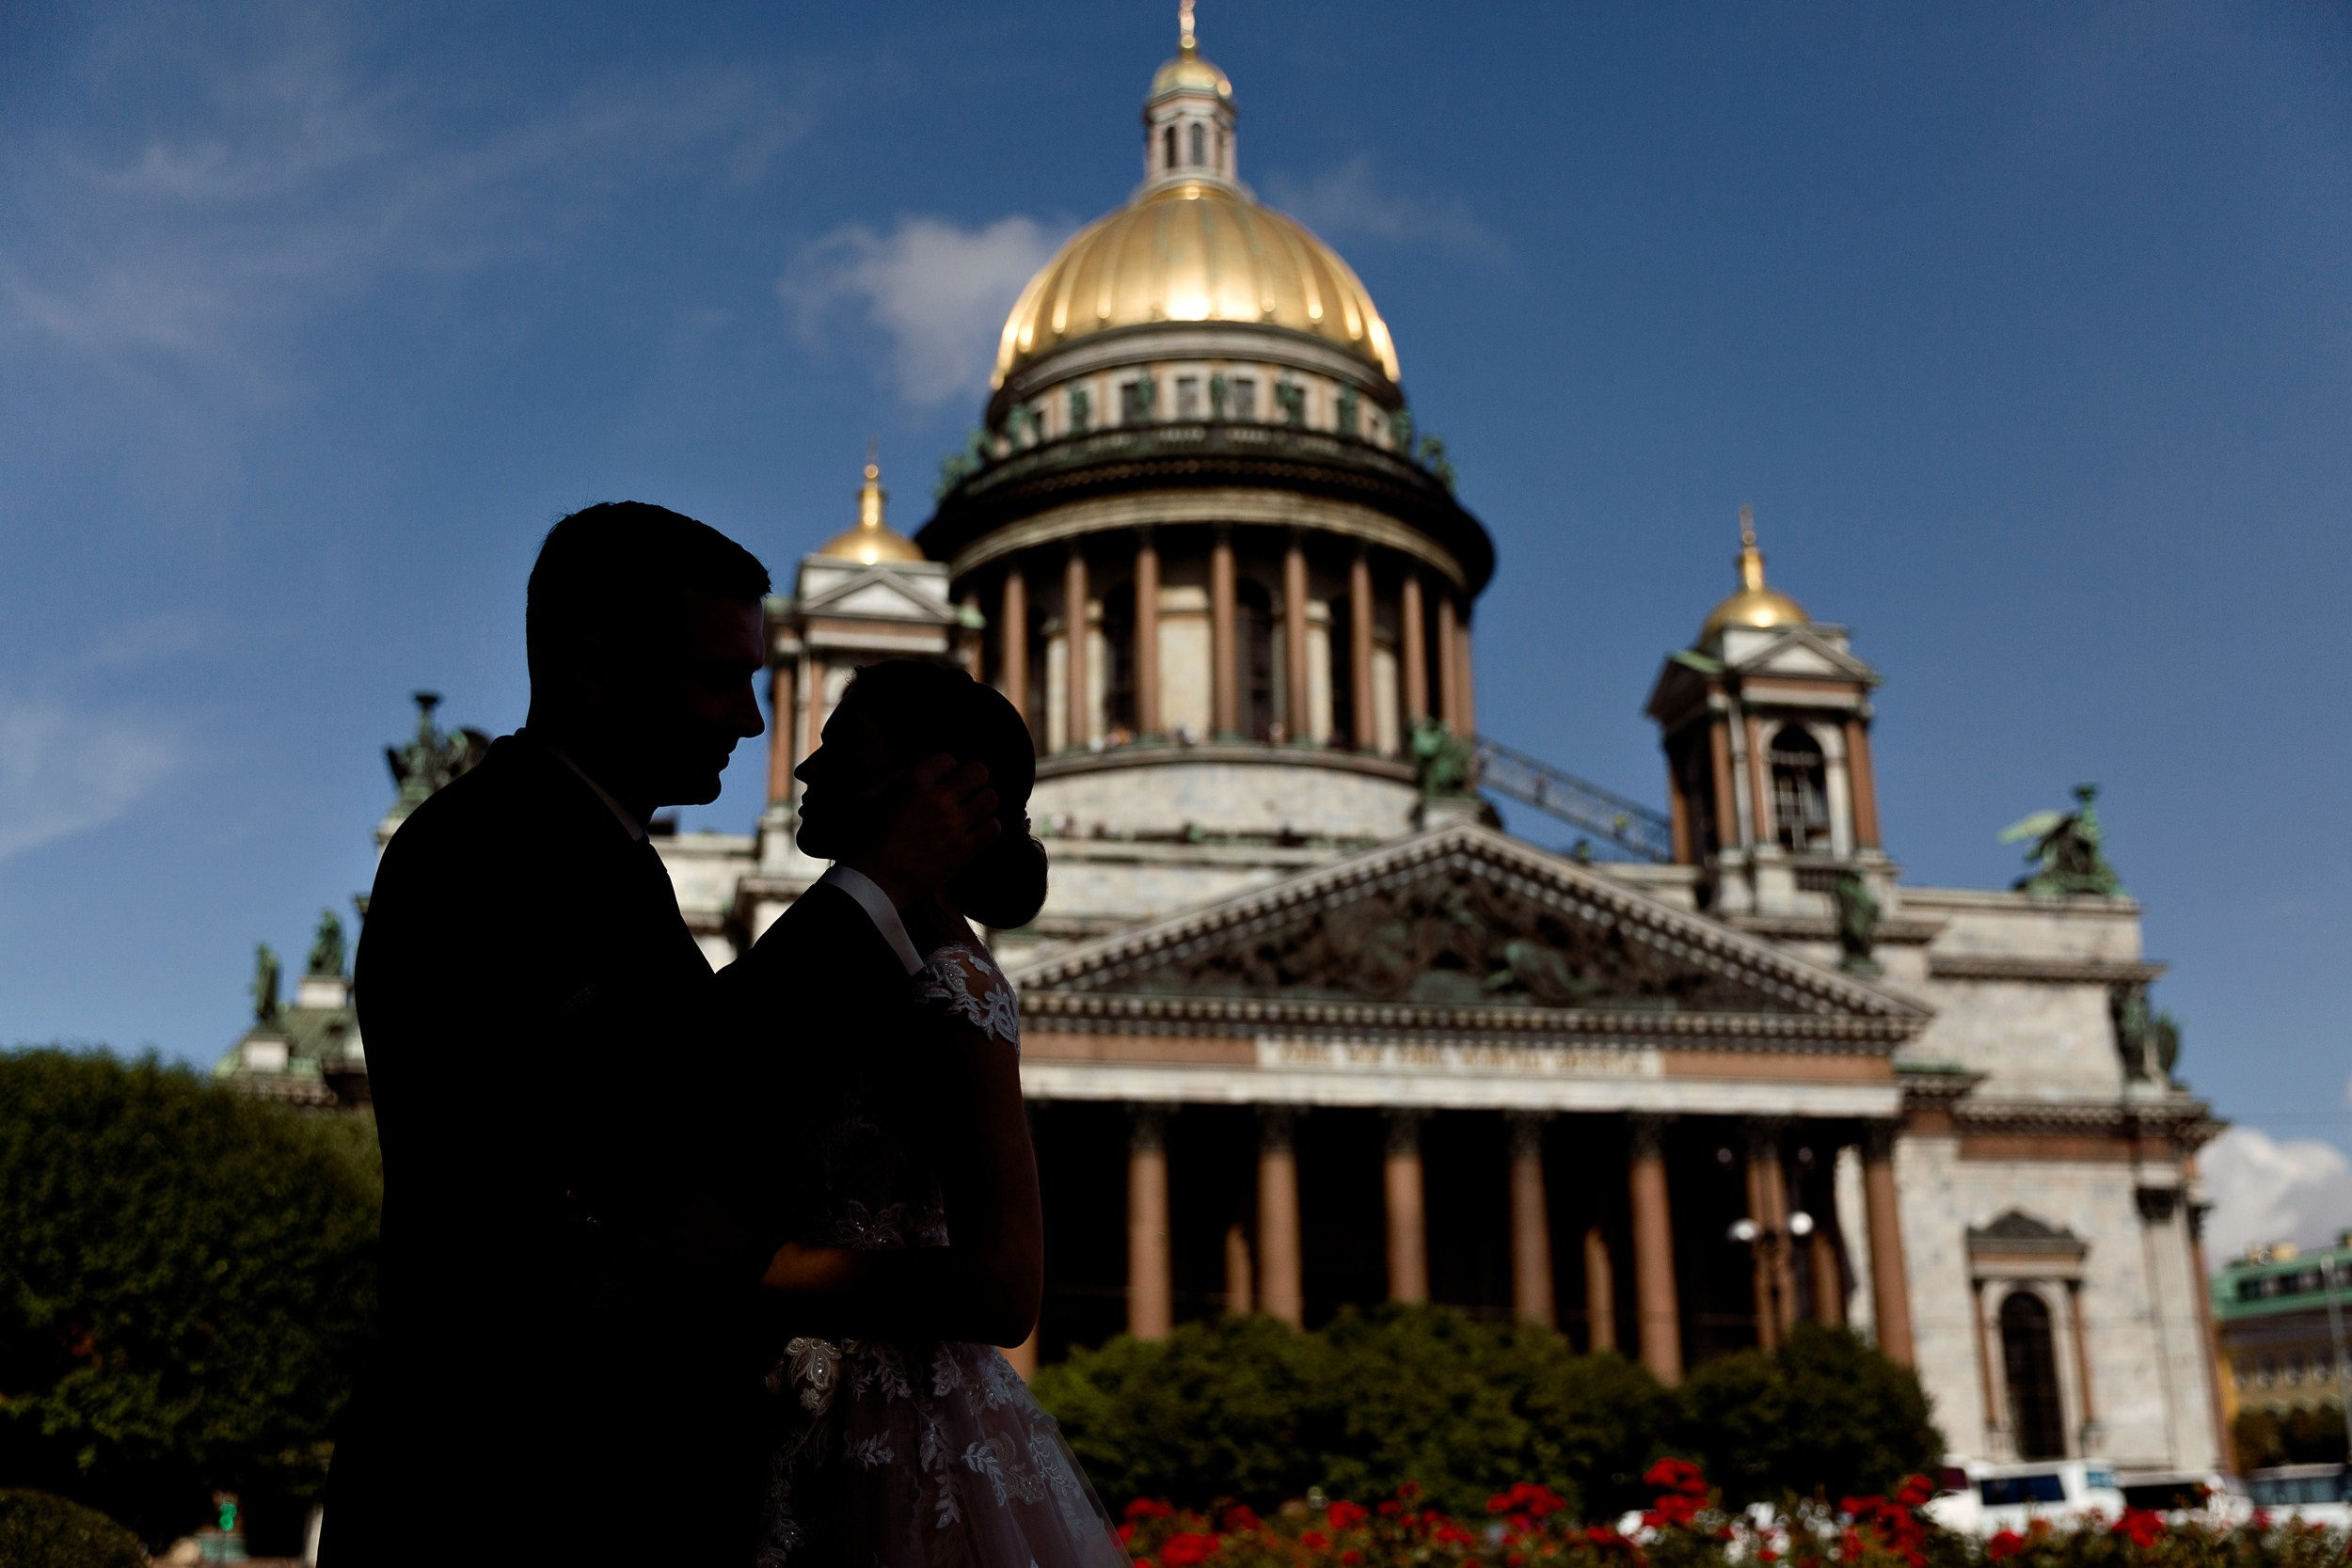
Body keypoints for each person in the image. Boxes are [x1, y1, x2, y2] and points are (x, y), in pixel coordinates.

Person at [323, 505, 998, 1567]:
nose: (755, 723)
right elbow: (668, 1090)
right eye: (720, 679)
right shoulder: (502, 847)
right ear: (596, 668)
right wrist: (875, 885)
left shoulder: (587, 847)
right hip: (516, 1484)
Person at [720, 659, 1129, 1568]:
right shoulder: (866, 954)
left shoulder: (951, 982)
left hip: (882, 1430)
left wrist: (764, 1265)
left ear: (935, 782)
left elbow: (1007, 1283)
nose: (805, 768)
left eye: (843, 747)